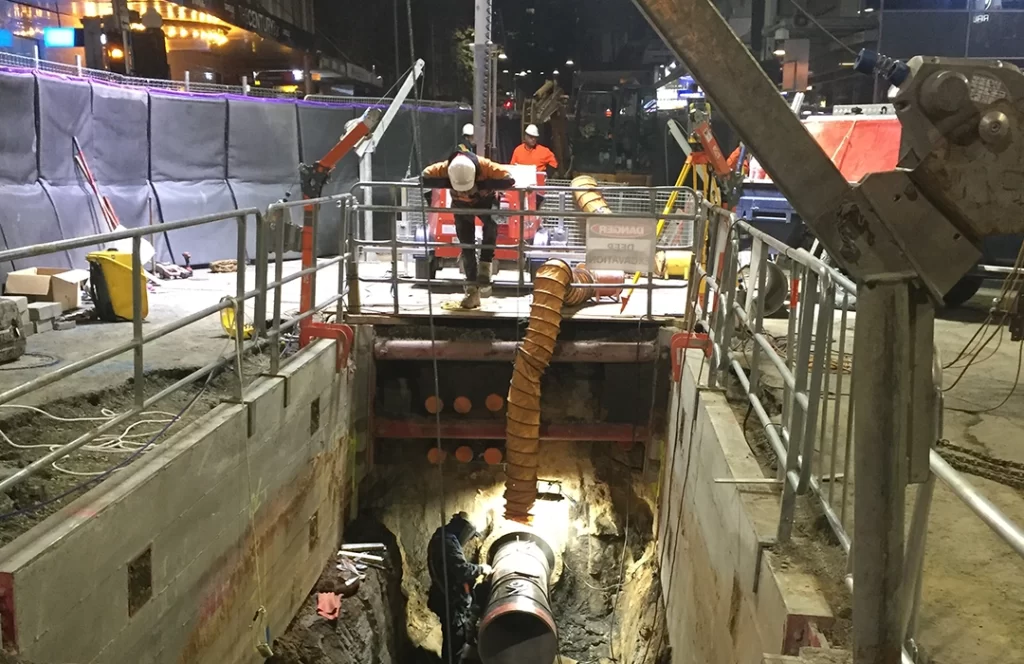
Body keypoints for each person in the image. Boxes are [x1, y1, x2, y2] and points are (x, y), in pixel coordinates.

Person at [421, 152, 515, 309]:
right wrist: (446, 182)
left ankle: (485, 265)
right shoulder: (446, 167)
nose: (466, 191)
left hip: (485, 201)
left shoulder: (485, 166)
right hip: (461, 205)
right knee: (467, 246)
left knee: (491, 224)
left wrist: (482, 185)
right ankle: (472, 292)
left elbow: (509, 179)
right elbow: (425, 176)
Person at [427, 512, 492, 663]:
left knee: (455, 637)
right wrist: (481, 569)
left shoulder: (442, 536)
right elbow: (461, 570)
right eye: (469, 535)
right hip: (449, 599)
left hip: (446, 595)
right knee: (454, 640)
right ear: (464, 529)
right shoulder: (448, 542)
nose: (468, 540)